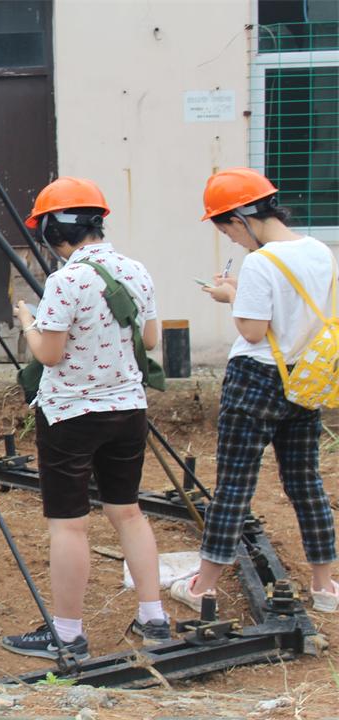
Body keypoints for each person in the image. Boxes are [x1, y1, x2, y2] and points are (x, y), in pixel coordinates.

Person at [4, 177, 168, 660]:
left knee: (69, 525)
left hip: (72, 415)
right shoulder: (136, 270)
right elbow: (151, 340)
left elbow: (49, 355)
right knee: (128, 512)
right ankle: (154, 619)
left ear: (53, 230)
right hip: (128, 410)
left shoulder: (65, 280)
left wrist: (28, 323)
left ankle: (68, 633)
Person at [170, 168, 337, 615]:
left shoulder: (261, 261)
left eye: (226, 228)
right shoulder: (318, 251)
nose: (231, 240)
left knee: (234, 488)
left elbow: (254, 329)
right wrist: (242, 291)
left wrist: (229, 299)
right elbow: (292, 307)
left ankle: (203, 586)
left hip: (256, 381)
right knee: (306, 485)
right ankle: (325, 586)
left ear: (241, 217)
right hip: (305, 379)